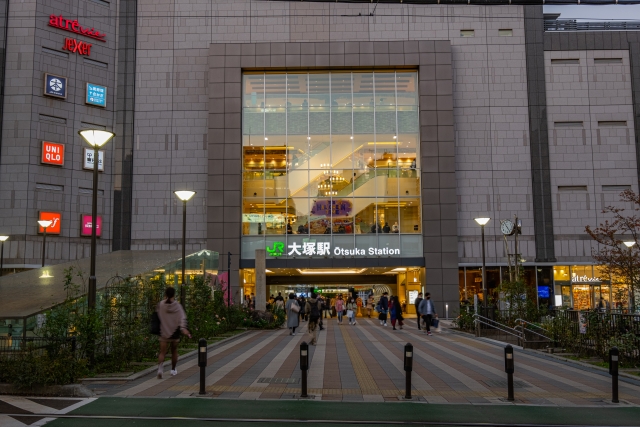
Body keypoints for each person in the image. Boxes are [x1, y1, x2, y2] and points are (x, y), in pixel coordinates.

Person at [156, 287, 191, 379]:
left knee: (162, 352)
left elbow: (157, 315)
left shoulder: (161, 305)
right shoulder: (177, 306)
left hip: (163, 331)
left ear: (165, 294)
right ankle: (173, 369)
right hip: (174, 332)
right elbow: (182, 318)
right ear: (174, 294)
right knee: (174, 351)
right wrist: (183, 328)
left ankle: (160, 369)